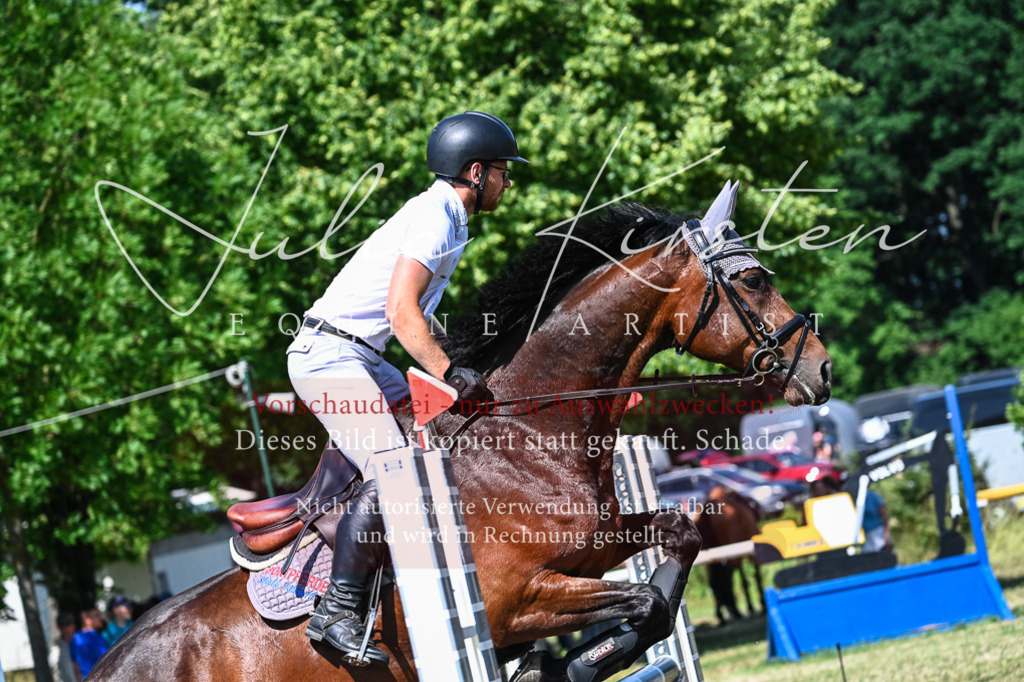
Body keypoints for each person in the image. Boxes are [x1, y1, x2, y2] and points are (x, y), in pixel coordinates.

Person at [288, 111, 528, 665]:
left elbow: (418, 316)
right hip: (329, 358)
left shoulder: (450, 217)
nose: (507, 182)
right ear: (475, 172)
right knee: (394, 469)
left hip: (364, 358)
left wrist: (467, 366)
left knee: (443, 445)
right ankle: (337, 615)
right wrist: (446, 372)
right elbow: (401, 313)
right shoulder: (434, 218)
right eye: (502, 171)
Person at [69, 608, 108, 678]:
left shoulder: (74, 639)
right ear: (87, 620)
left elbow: (75, 667)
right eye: (97, 616)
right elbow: (107, 659)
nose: (100, 618)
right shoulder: (96, 637)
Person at [49, 611, 79, 682]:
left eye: (69, 624)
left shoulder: (80, 643)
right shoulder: (55, 648)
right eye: (64, 625)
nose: (68, 628)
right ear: (59, 627)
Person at [861, 487, 892, 553]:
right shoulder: (855, 498)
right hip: (865, 537)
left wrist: (886, 535)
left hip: (879, 532)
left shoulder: (874, 497)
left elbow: (884, 515)